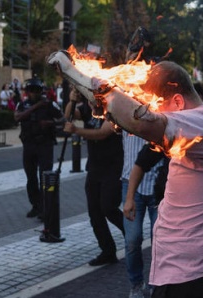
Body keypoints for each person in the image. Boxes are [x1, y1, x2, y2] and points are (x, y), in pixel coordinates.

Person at [48, 52, 203, 297]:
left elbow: (142, 123)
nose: (153, 112)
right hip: (193, 271)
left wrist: (77, 73)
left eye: (156, 107)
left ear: (177, 101)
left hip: (197, 276)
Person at [63, 89, 125, 266]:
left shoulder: (112, 112)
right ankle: (107, 250)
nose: (91, 103)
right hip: (95, 168)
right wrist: (71, 100)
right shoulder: (86, 110)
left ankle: (132, 236)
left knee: (108, 207)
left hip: (113, 168)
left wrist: (76, 130)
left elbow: (103, 133)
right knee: (94, 212)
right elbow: (68, 115)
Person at [121, 133, 169, 298]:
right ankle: (136, 284)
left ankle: (156, 284)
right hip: (131, 184)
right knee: (132, 240)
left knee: (159, 241)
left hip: (157, 184)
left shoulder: (160, 111)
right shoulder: (124, 112)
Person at [14, 78, 64, 218]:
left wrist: (50, 123)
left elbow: (63, 120)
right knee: (31, 178)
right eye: (31, 90)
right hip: (29, 144)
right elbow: (18, 117)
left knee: (45, 176)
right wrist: (36, 107)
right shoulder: (23, 105)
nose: (34, 93)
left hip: (44, 144)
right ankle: (36, 205)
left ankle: (45, 208)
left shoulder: (49, 105)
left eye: (36, 90)